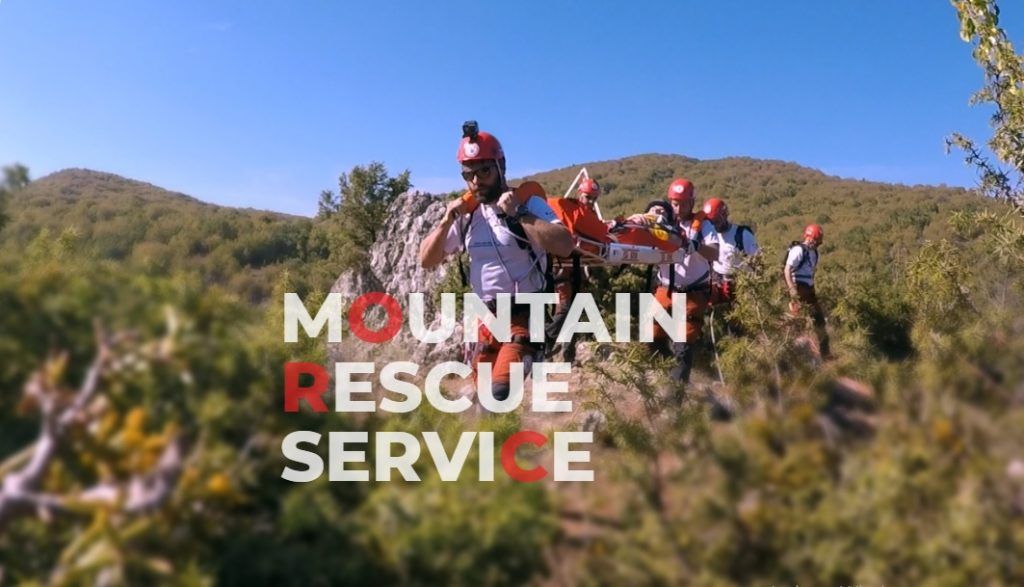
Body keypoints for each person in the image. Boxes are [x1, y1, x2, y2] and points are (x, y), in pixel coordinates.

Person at [419, 121, 573, 402]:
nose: (476, 181)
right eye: (468, 174)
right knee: (479, 402)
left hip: (524, 317)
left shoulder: (528, 204)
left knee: (498, 396)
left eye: (484, 171)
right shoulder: (467, 215)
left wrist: (519, 214)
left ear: (501, 166)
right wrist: (445, 222)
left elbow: (564, 244)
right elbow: (426, 260)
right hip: (484, 320)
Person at [633, 179, 719, 387]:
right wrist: (642, 218)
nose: (678, 208)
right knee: (651, 337)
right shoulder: (662, 220)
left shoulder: (704, 225)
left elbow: (715, 253)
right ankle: (668, 376)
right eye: (674, 203)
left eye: (682, 204)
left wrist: (694, 245)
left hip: (692, 293)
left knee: (683, 345)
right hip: (666, 289)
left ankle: (676, 394)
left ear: (692, 202)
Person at [546, 177, 603, 364]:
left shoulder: (591, 217)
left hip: (579, 271)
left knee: (575, 313)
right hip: (563, 269)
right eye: (588, 197)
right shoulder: (570, 211)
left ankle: (568, 356)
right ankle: (544, 347)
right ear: (579, 194)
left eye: (594, 199)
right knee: (563, 310)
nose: (590, 202)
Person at [784, 223, 831, 358]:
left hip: (809, 289)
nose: (818, 244)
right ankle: (792, 354)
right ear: (810, 238)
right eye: (817, 241)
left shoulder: (814, 253)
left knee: (819, 320)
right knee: (797, 323)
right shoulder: (798, 250)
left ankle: (825, 353)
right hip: (798, 288)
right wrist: (792, 290)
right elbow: (787, 270)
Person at [704, 197, 759, 308]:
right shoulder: (709, 236)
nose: (714, 226)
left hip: (741, 286)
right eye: (711, 223)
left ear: (724, 216)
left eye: (716, 221)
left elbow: (758, 262)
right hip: (718, 284)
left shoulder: (742, 234)